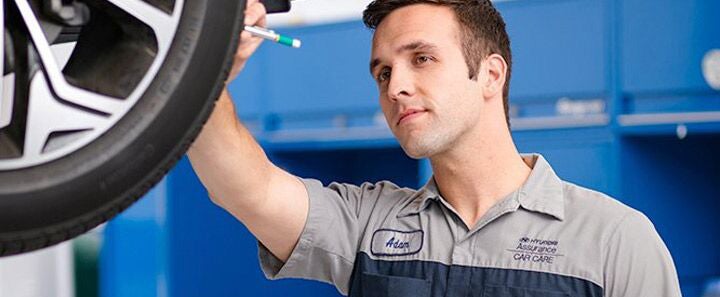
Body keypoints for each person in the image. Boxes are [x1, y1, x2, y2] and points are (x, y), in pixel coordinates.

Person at [187, 0, 682, 296]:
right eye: (382, 72)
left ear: (490, 74)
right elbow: (244, 188)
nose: (394, 86)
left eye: (421, 59)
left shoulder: (615, 241)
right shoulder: (369, 224)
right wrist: (203, 64)